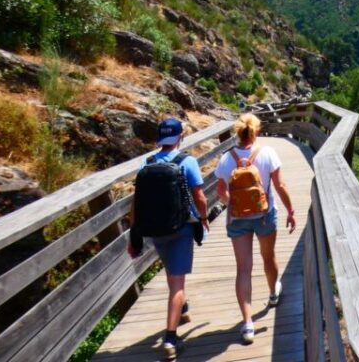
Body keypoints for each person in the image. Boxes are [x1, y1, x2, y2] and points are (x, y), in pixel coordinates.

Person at [127, 118, 208, 361]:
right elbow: (200, 197)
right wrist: (203, 218)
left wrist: (134, 234)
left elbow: (136, 202)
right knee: (177, 285)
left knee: (172, 274)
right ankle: (171, 339)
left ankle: (181, 308)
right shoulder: (187, 162)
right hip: (181, 229)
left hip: (155, 230)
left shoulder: (146, 163)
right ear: (180, 137)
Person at [215, 113, 296, 345]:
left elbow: (221, 192)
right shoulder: (267, 153)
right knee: (268, 257)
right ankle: (272, 294)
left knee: (243, 269)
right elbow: (280, 185)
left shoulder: (226, 158)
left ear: (237, 133)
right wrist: (290, 210)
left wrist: (234, 204)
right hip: (265, 215)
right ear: (256, 131)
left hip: (238, 219)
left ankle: (248, 324)